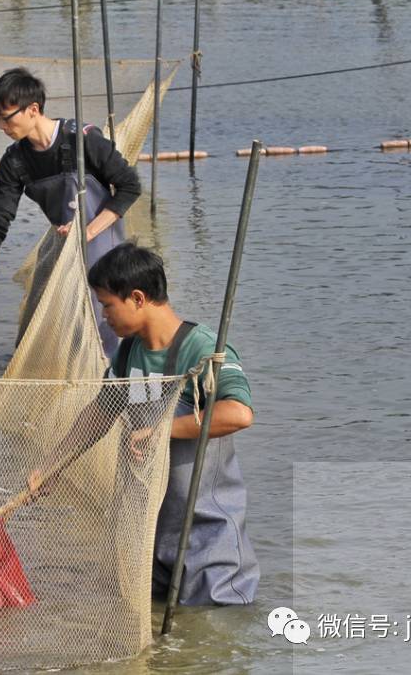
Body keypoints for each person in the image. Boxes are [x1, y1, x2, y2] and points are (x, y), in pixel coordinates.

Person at [29, 242, 259, 606]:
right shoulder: (129, 351)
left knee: (213, 634)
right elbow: (101, 412)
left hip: (204, 532)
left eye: (107, 305)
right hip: (149, 526)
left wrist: (165, 428)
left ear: (137, 298)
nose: (104, 315)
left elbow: (238, 413)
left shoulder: (203, 350)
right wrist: (52, 465)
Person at [0, 67, 142, 355]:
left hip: (106, 247)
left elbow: (130, 186)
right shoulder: (15, 162)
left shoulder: (82, 139)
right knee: (60, 333)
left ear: (33, 109)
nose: (1, 126)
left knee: (110, 330)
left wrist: (87, 231)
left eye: (6, 117)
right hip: (67, 250)